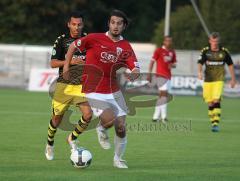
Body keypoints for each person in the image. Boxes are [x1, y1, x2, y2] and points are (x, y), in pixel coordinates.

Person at [63, 9, 140, 168]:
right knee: (109, 119)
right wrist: (66, 68)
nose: (115, 26)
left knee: (121, 127)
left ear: (124, 26)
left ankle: (118, 159)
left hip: (113, 89)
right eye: (113, 22)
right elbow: (72, 47)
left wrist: (134, 73)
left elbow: (135, 66)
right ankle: (101, 128)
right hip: (93, 88)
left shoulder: (126, 47)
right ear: (109, 24)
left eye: (119, 23)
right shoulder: (94, 38)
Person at [45, 11, 92, 161]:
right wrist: (70, 62)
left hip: (80, 85)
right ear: (68, 24)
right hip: (64, 85)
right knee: (56, 119)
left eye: (79, 24)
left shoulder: (88, 40)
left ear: (82, 25)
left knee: (88, 115)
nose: (76, 27)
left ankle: (72, 138)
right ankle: (49, 143)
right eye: (74, 24)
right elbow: (53, 63)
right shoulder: (62, 40)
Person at [198, 32, 236, 132]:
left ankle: (216, 124)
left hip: (219, 80)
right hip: (208, 80)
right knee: (210, 103)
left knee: (216, 100)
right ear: (210, 41)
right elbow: (200, 63)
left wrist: (233, 79)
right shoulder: (205, 51)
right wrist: (200, 72)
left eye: (216, 42)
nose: (215, 43)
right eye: (213, 41)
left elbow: (230, 65)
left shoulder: (224, 52)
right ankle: (213, 122)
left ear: (218, 41)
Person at [147, 36, 177, 123]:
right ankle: (164, 117)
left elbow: (175, 64)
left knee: (162, 96)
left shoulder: (172, 52)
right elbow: (152, 61)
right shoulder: (159, 50)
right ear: (164, 42)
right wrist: (149, 73)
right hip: (160, 76)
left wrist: (172, 65)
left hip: (168, 76)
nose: (169, 42)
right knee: (164, 95)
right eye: (167, 41)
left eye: (170, 41)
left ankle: (155, 117)